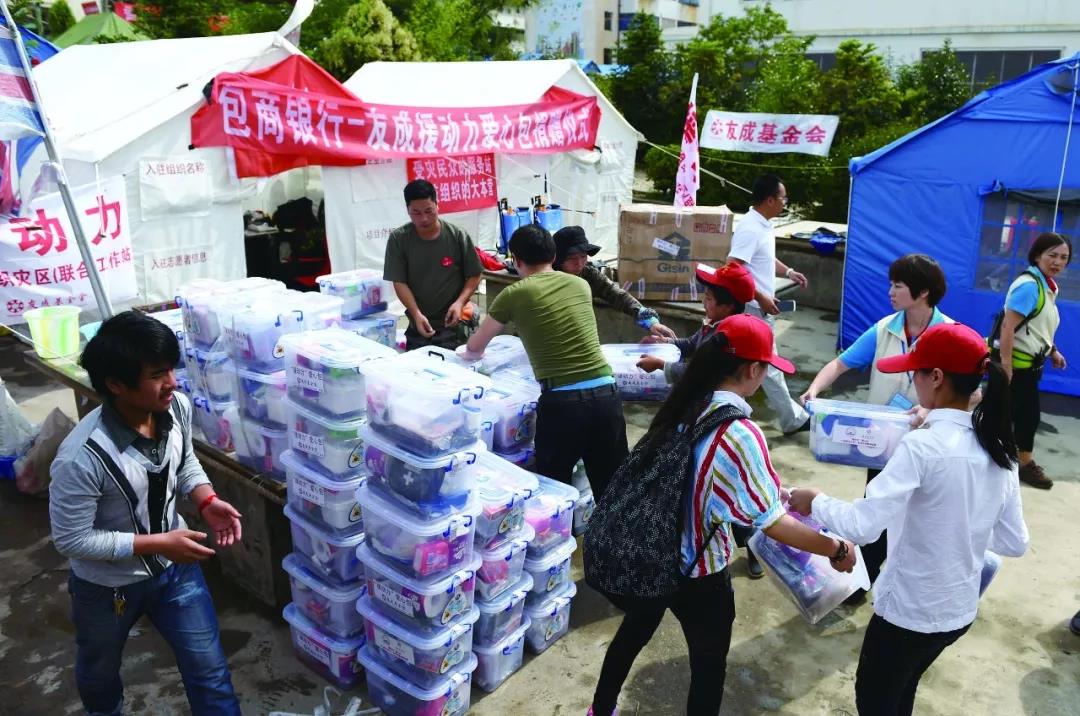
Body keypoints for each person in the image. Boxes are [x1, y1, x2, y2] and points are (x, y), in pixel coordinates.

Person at [588, 314, 857, 716]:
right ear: (752, 370)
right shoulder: (740, 433)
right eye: (766, 368)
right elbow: (773, 524)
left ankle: (600, 709)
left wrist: (773, 490)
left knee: (632, 634)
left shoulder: (684, 403)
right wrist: (836, 549)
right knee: (708, 665)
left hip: (651, 553)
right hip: (699, 572)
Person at [789, 323, 1029, 716]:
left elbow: (862, 526)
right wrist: (961, 524)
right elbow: (1015, 542)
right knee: (904, 687)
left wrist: (815, 501)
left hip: (908, 614)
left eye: (914, 372)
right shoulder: (999, 445)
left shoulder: (921, 447)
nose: (911, 381)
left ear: (936, 377)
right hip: (958, 612)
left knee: (875, 701)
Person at [49, 311, 243, 716]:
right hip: (106, 589)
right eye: (157, 375)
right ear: (116, 384)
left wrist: (206, 500)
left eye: (170, 369)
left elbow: (185, 462)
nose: (172, 382)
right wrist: (158, 544)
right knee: (100, 673)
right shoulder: (80, 458)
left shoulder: (177, 409)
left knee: (210, 673)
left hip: (176, 572)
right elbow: (72, 539)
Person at [800, 253, 952, 603]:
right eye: (891, 284)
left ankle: (881, 577)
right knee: (876, 511)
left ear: (923, 292)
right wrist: (815, 389)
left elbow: (970, 392)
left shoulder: (948, 334)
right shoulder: (885, 328)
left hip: (927, 445)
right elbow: (841, 363)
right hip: (881, 443)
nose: (890, 292)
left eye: (898, 286)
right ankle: (863, 578)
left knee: (913, 515)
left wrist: (930, 408)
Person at [463, 224, 627, 500]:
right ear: (553, 257)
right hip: (606, 396)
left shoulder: (514, 294)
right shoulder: (581, 285)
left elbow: (474, 347)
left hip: (563, 404)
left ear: (516, 260)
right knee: (613, 492)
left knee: (554, 494)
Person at [636, 260, 764, 579]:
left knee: (730, 491)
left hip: (712, 418)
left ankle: (753, 547)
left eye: (708, 298)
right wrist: (666, 344)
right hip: (696, 416)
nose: (703, 302)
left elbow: (699, 373)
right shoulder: (711, 326)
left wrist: (661, 366)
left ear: (728, 305)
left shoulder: (730, 338)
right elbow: (690, 346)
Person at [728, 174, 810, 434]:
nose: (785, 202)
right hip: (753, 308)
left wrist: (788, 272)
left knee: (753, 363)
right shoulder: (750, 228)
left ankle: (733, 409)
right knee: (768, 364)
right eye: (783, 198)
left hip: (760, 307)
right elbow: (734, 267)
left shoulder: (763, 224)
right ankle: (792, 419)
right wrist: (760, 296)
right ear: (770, 200)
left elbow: (764, 259)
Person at [996, 232, 1071, 489]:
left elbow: (1038, 326)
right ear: (1037, 255)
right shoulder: (1029, 286)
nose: (1058, 262)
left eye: (1064, 257)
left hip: (1030, 365)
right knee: (1025, 417)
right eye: (1052, 255)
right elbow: (1007, 327)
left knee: (1011, 415)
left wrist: (1053, 351)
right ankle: (1024, 465)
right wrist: (1006, 367)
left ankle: (1006, 461)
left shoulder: (1048, 286)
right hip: (1017, 366)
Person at [383, 179, 483, 350]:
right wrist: (416, 314)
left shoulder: (457, 235)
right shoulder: (399, 239)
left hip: (455, 324)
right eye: (416, 213)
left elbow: (474, 274)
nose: (424, 218)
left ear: (438, 205)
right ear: (408, 210)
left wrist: (460, 303)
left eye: (429, 211)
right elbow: (399, 282)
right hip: (419, 324)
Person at [553, 225, 677, 340]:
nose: (579, 263)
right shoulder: (548, 279)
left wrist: (649, 320)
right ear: (557, 259)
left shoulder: (589, 275)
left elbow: (617, 295)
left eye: (583, 256)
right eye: (572, 258)